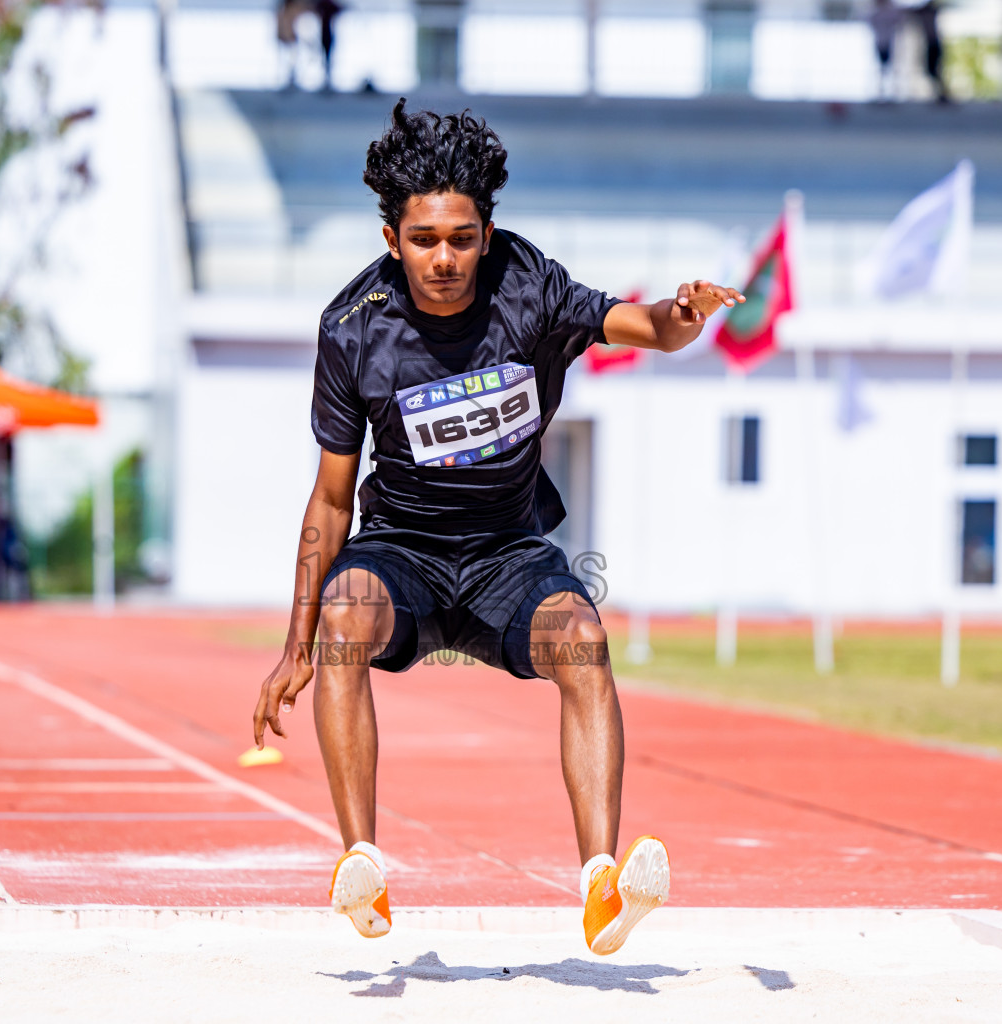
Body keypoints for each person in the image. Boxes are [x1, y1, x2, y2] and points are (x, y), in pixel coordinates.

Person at [251, 99, 743, 955]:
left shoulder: (531, 287)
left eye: (463, 238)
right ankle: (361, 867)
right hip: (400, 550)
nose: (445, 259)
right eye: (425, 239)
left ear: (488, 231)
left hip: (509, 554)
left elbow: (647, 327)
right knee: (342, 621)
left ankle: (599, 887)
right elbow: (331, 501)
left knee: (584, 640)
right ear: (390, 237)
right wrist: (296, 641)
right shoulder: (351, 329)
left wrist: (684, 312)